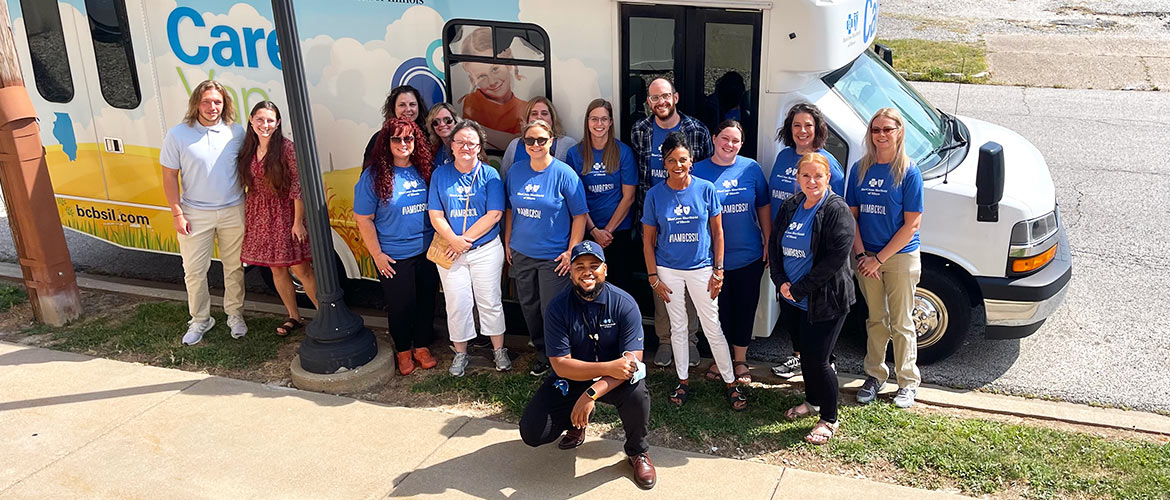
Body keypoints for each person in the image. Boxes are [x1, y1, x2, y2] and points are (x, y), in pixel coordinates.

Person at [519, 241, 656, 490]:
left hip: (616, 380)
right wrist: (606, 369)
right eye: (579, 266)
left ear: (605, 269)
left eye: (594, 265)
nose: (587, 271)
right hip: (573, 377)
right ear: (570, 271)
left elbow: (632, 365)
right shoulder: (558, 308)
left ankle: (638, 452)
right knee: (533, 432)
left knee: (637, 394)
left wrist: (591, 393)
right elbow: (561, 365)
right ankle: (577, 425)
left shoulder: (624, 304)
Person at [641, 131, 746, 411]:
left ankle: (730, 382)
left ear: (691, 162)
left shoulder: (705, 189)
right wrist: (653, 277)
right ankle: (683, 380)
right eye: (672, 160)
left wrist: (719, 270)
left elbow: (718, 232)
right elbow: (648, 241)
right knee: (678, 327)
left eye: (683, 160)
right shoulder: (655, 195)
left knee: (712, 326)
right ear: (664, 163)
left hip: (702, 268)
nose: (678, 165)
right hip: (668, 270)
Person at [768, 152, 856, 445]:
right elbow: (775, 245)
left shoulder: (836, 209)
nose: (812, 181)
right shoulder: (791, 205)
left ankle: (829, 417)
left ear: (828, 177)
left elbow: (834, 260)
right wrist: (780, 281)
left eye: (818, 175)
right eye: (805, 175)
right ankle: (813, 401)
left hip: (825, 300)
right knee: (805, 356)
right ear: (798, 178)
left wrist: (800, 288)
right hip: (792, 298)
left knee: (818, 360)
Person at [631, 77, 713, 368]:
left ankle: (689, 340)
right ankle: (665, 340)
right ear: (649, 102)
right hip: (653, 216)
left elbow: (702, 177)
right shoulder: (640, 130)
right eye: (654, 98)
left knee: (690, 284)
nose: (660, 102)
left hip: (689, 221)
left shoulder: (696, 130)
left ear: (675, 97)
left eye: (665, 96)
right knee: (661, 281)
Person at [161, 80, 248, 345]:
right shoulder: (178, 134)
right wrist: (177, 213)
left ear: (225, 105)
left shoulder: (236, 132)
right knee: (195, 270)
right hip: (194, 213)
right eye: (207, 101)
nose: (212, 107)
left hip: (233, 210)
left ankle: (235, 315)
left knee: (234, 268)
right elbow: (168, 176)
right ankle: (200, 320)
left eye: (218, 102)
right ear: (196, 103)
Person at [848, 107, 925, 409]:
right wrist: (862, 255)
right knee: (876, 320)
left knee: (902, 322)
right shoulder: (860, 169)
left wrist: (878, 259)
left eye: (887, 129)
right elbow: (852, 217)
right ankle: (875, 375)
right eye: (876, 130)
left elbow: (912, 225)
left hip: (899, 257)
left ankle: (907, 382)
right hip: (867, 258)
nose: (881, 135)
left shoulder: (908, 171)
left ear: (899, 132)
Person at [355, 116, 439, 376]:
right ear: (386, 143)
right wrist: (377, 255)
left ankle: (422, 347)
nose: (404, 143)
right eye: (397, 138)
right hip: (393, 256)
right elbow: (363, 219)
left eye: (409, 138)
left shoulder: (424, 169)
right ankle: (403, 350)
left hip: (427, 252)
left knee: (427, 302)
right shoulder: (373, 177)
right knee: (401, 306)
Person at [504, 119, 589, 377]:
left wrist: (571, 251)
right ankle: (543, 354)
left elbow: (580, 215)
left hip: (554, 257)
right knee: (529, 306)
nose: (536, 145)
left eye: (542, 139)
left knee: (551, 310)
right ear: (524, 143)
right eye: (530, 140)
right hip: (521, 252)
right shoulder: (516, 172)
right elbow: (510, 210)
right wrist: (507, 241)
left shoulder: (564, 174)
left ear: (551, 141)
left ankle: (560, 360)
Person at [427, 120, 510, 376]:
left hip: (484, 249)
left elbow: (495, 214)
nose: (465, 147)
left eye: (471, 143)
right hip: (452, 249)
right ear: (451, 146)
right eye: (460, 142)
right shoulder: (440, 174)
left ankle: (499, 350)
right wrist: (453, 239)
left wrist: (463, 241)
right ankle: (461, 353)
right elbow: (435, 213)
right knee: (456, 303)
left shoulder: (490, 174)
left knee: (490, 301)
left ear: (479, 148)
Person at [769, 102, 846, 380]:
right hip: (784, 244)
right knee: (790, 308)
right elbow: (773, 199)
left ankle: (825, 362)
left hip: (811, 249)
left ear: (818, 129)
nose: (802, 131)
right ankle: (799, 357)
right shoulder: (783, 157)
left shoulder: (827, 164)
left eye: (808, 125)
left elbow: (837, 208)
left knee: (816, 310)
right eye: (797, 125)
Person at [692, 120, 770, 384]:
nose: (729, 144)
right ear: (714, 138)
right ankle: (719, 359)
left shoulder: (751, 169)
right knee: (719, 312)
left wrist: (768, 240)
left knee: (745, 309)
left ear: (741, 144)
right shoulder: (699, 171)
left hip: (749, 255)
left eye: (735, 141)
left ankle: (740, 361)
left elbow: (763, 206)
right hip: (712, 259)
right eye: (725, 138)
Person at [237, 101, 318, 337]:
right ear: (251, 120)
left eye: (270, 120)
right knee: (276, 269)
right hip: (259, 214)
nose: (265, 125)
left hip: (284, 213)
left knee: (301, 269)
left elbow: (298, 185)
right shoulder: (248, 148)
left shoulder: (287, 148)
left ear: (278, 123)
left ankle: (325, 315)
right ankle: (294, 316)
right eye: (260, 119)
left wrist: (298, 221)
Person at [565, 99, 638, 293]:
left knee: (619, 287)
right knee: (589, 288)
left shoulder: (624, 152)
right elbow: (575, 199)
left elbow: (628, 197)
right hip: (587, 232)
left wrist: (607, 232)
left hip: (617, 234)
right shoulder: (575, 154)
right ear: (587, 122)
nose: (599, 124)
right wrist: (595, 230)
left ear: (611, 122)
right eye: (594, 119)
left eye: (604, 119)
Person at [458, 27, 528, 150]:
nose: (491, 82)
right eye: (481, 76)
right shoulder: (473, 102)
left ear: (508, 63)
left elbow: (517, 145)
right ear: (473, 79)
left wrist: (477, 128)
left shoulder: (525, 107)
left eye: (495, 69)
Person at [501, 97, 578, 175]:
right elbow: (505, 177)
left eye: (544, 113)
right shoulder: (515, 145)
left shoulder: (568, 145)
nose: (539, 117)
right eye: (534, 113)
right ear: (527, 119)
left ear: (552, 118)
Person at [365, 85, 428, 166]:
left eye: (412, 104)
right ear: (393, 108)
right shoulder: (378, 139)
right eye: (402, 105)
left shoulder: (428, 137)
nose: (408, 109)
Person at [425, 103, 458, 167]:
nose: (442, 124)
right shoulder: (437, 151)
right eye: (436, 122)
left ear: (455, 121)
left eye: (447, 120)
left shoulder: (465, 146)